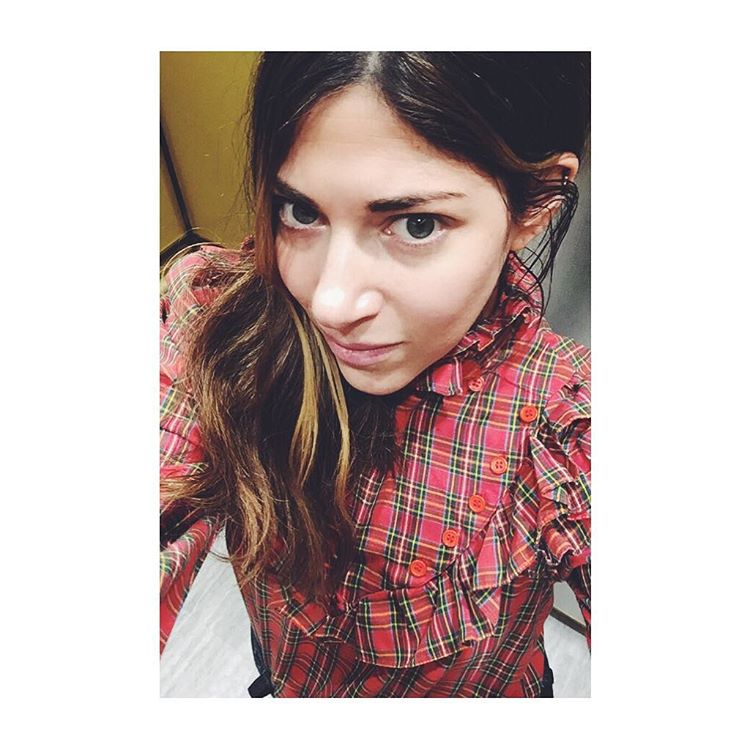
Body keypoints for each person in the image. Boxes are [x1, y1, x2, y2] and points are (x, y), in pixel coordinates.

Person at [160, 51, 591, 698]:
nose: (330, 303)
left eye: (415, 225)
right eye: (300, 211)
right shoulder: (215, 317)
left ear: (536, 204)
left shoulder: (565, 424)